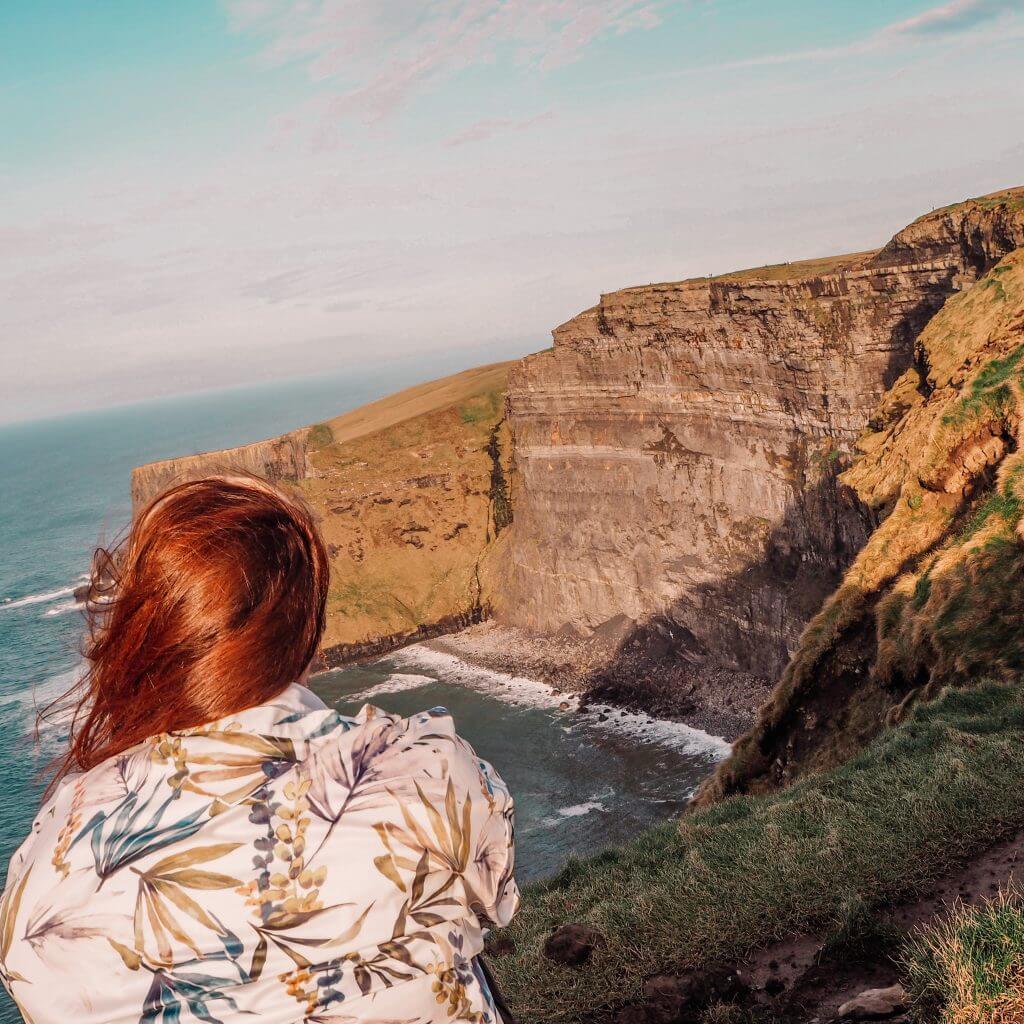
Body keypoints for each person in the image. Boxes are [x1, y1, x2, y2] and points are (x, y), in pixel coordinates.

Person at [0, 476, 518, 1024]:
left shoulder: (48, 857)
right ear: (307, 631)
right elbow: (493, 893)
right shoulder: (425, 770)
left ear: (148, 638)